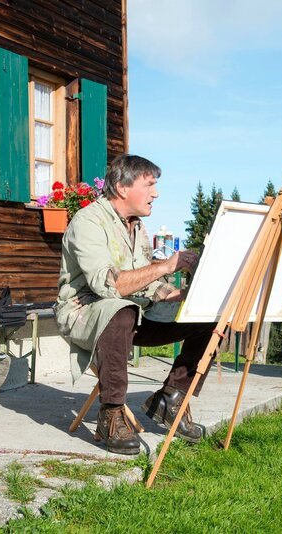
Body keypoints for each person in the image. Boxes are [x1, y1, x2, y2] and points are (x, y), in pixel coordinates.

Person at [56, 154, 216, 455]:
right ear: (121, 187)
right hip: (84, 312)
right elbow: (109, 285)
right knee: (120, 309)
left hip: (133, 313)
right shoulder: (88, 221)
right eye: (149, 185)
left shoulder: (136, 227)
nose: (155, 193)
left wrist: (179, 297)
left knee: (208, 318)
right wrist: (165, 266)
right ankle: (112, 414)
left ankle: (170, 399)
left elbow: (147, 281)